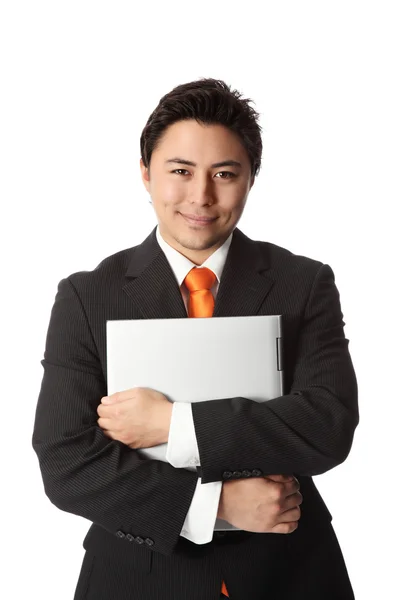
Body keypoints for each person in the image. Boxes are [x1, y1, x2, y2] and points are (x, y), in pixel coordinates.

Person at [32, 77, 359, 600]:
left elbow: (327, 425)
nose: (201, 197)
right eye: (180, 171)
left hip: (290, 573)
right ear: (145, 173)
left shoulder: (304, 283)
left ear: (251, 178)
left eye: (224, 174)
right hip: (138, 576)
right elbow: (67, 461)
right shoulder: (87, 296)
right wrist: (218, 506)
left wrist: (171, 422)